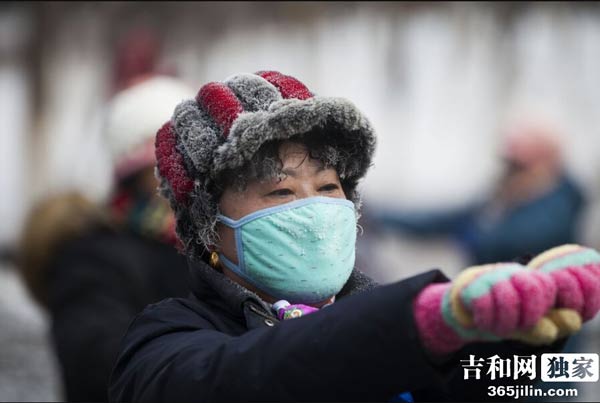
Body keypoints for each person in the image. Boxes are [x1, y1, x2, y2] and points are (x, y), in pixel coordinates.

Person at [108, 71, 600, 402]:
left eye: (328, 187)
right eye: (280, 191)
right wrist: (417, 325)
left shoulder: (394, 314)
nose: (315, 209)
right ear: (208, 225)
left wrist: (538, 343)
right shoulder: (168, 340)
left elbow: (531, 389)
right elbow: (246, 376)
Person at [18, 75, 194, 402]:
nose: (178, 182)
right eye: (161, 169)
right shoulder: (92, 258)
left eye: (190, 167)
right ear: (133, 175)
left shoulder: (210, 245)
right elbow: (101, 367)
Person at [366, 121, 585, 265]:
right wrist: (372, 213)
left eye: (517, 166)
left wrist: (472, 234)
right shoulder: (501, 201)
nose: (509, 173)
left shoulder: (561, 205)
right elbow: (438, 220)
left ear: (546, 164)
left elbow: (510, 242)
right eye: (507, 164)